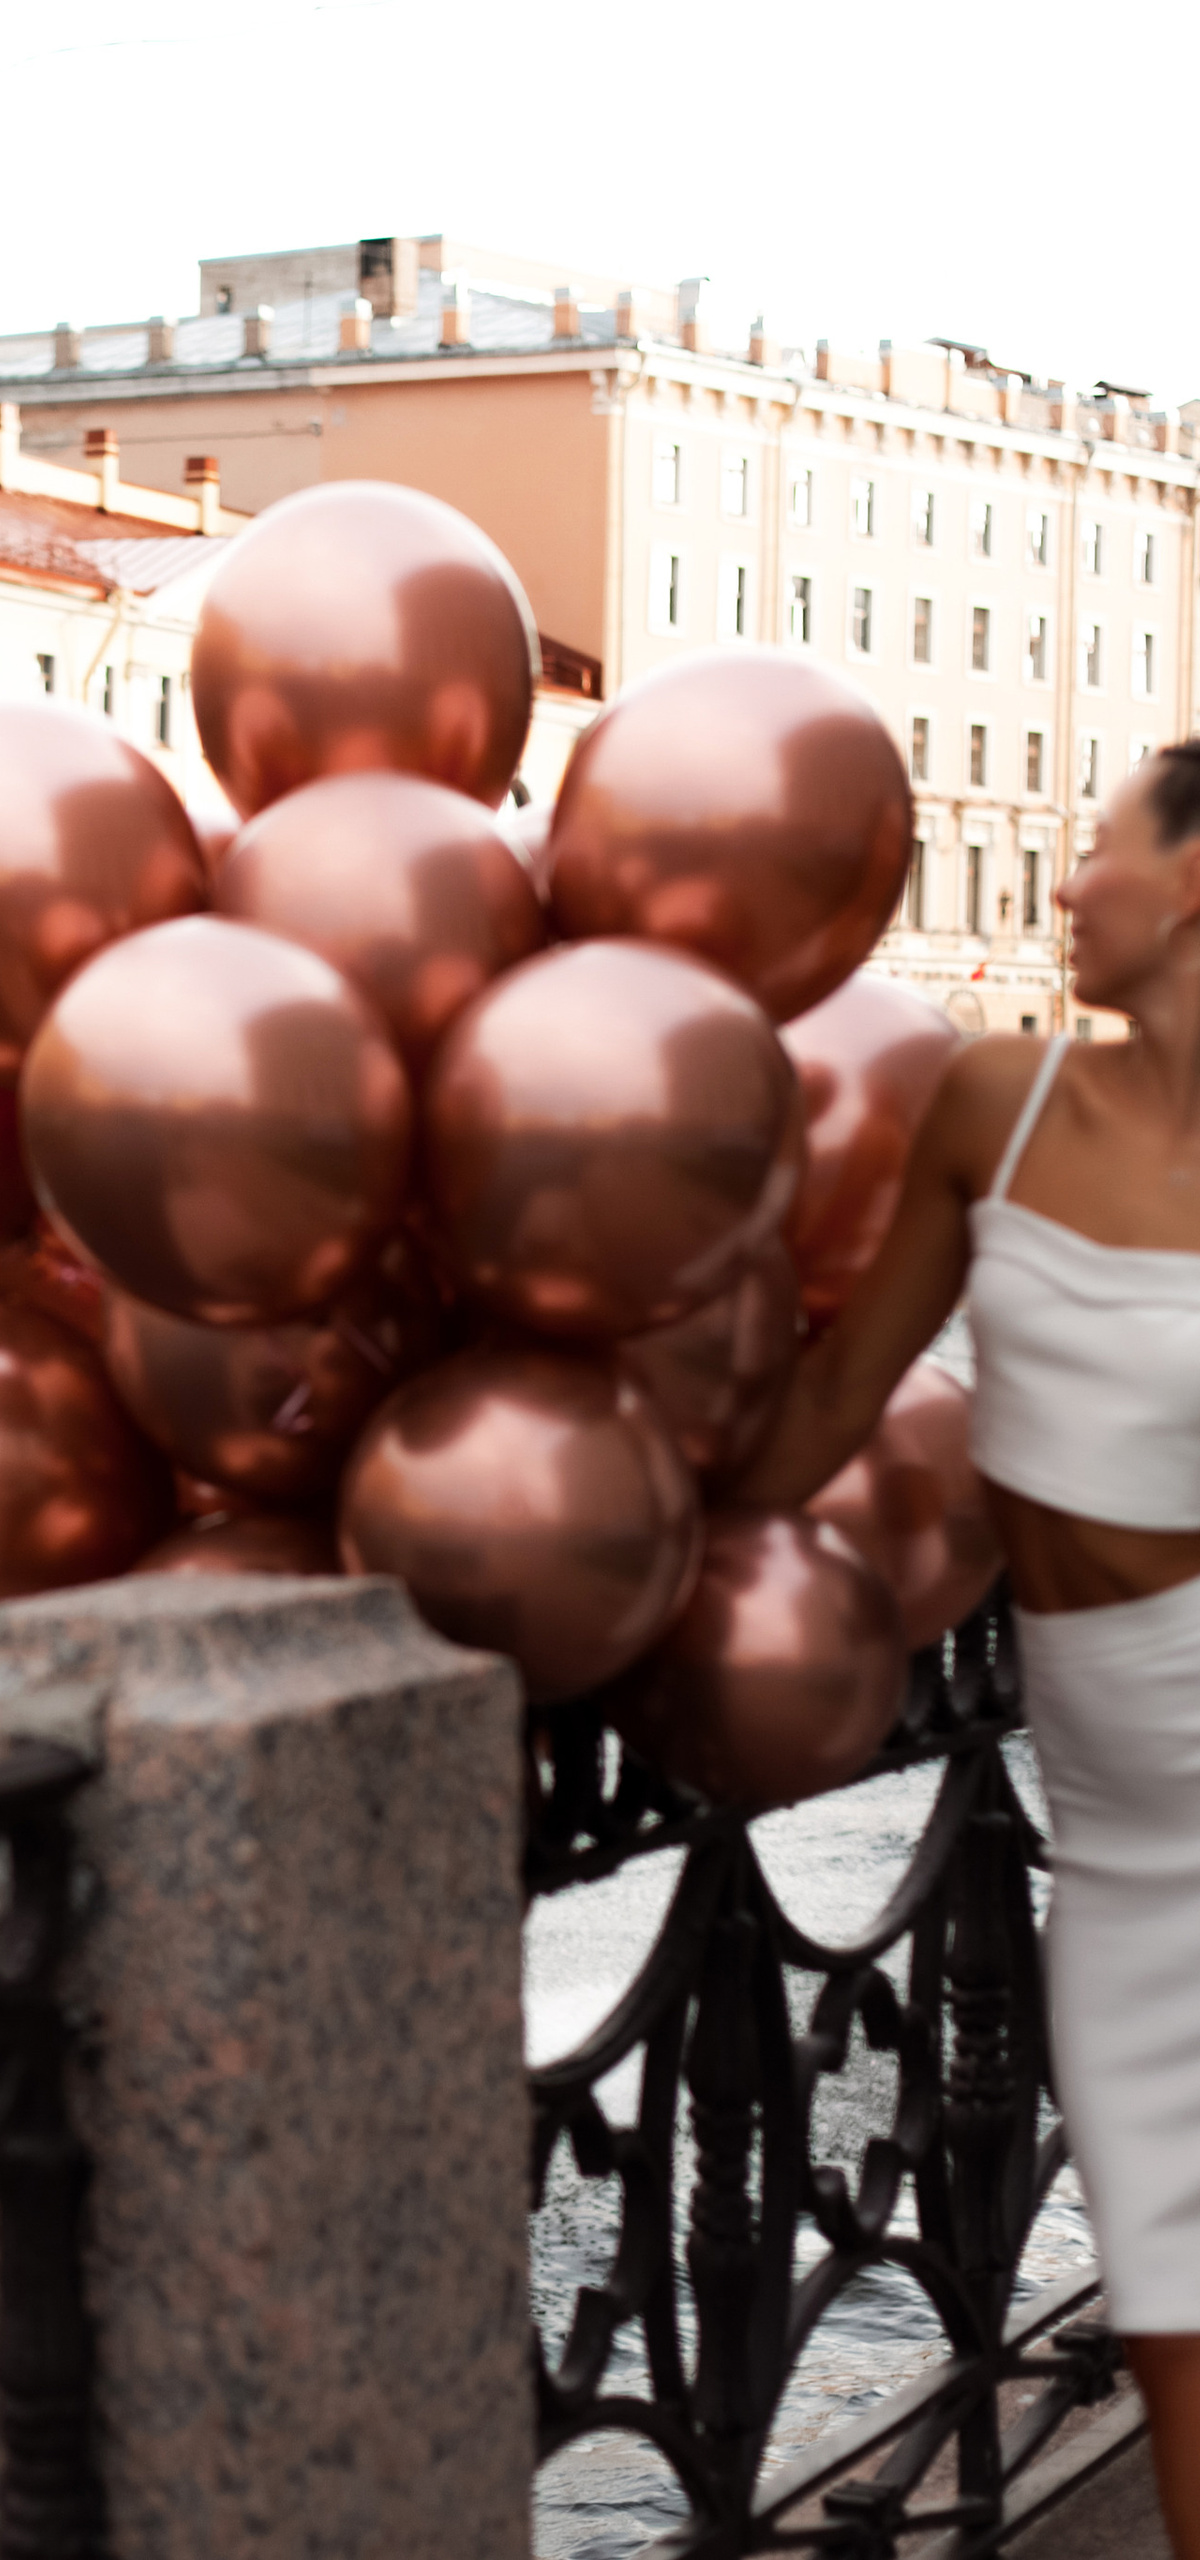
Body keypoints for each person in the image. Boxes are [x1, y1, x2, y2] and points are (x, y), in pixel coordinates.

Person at [734, 737, 1200, 2557]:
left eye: (1097, 851)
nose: (1066, 883)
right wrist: (631, 1540)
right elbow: (834, 1406)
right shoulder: (992, 1106)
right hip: (1129, 1843)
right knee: (1168, 2279)